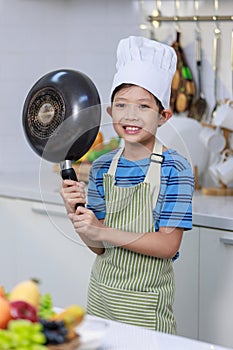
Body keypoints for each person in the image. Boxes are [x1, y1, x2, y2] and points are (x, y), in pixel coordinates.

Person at [60, 36, 194, 334]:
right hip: (101, 300)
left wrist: (102, 229)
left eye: (143, 106)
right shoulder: (101, 166)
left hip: (145, 308)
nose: (131, 115)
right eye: (121, 105)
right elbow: (99, 247)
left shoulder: (176, 169)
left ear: (163, 116)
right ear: (110, 113)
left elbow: (167, 244)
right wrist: (78, 216)